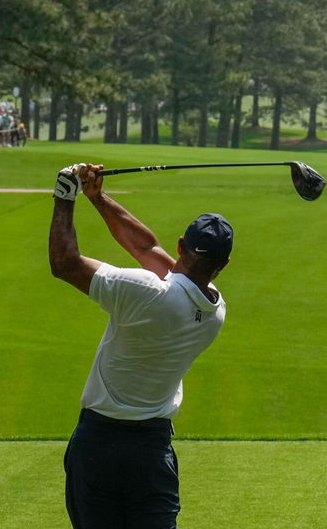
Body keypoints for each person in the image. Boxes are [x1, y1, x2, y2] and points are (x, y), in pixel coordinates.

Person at [49, 164, 231, 529]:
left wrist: (65, 196)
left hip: (98, 444)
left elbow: (65, 264)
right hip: (152, 450)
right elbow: (145, 246)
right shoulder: (215, 310)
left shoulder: (144, 290)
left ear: (181, 246)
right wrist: (98, 198)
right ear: (222, 265)